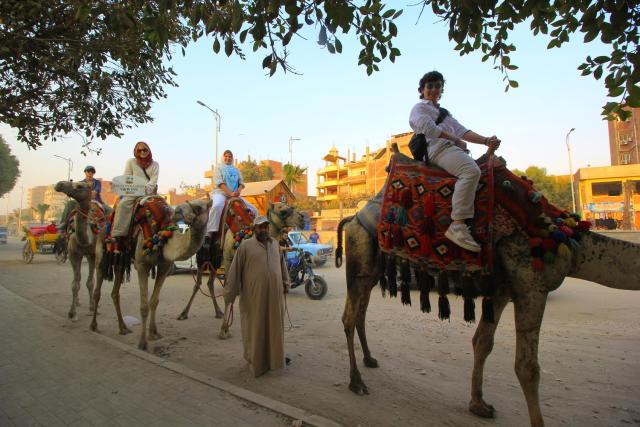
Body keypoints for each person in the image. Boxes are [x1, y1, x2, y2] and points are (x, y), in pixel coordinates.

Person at [409, 71, 501, 252]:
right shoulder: (419, 108)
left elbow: (463, 131)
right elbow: (429, 128)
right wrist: (455, 139)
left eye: (438, 85)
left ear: (442, 89)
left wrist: (485, 141)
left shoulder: (445, 114)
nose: (434, 89)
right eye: (430, 86)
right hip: (438, 149)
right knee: (471, 172)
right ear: (422, 90)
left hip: (454, 150)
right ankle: (457, 224)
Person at [224, 215, 290, 377]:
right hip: (254, 298)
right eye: (260, 227)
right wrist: (230, 294)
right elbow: (235, 271)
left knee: (274, 329)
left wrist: (286, 283)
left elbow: (282, 266)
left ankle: (274, 361)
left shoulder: (275, 244)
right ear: (255, 229)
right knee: (256, 329)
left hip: (274, 297)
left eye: (266, 227)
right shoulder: (245, 246)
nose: (264, 230)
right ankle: (256, 362)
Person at [110, 141, 159, 248]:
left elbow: (153, 180)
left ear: (149, 150)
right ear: (136, 151)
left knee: (162, 206)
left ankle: (166, 231)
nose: (142, 152)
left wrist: (147, 189)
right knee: (123, 204)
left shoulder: (155, 165)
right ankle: (119, 233)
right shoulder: (131, 162)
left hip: (149, 192)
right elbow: (127, 177)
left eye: (145, 149)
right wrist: (136, 188)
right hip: (134, 191)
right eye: (139, 150)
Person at [205, 150, 258, 245]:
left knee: (254, 209)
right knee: (217, 205)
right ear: (223, 157)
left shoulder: (236, 169)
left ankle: (255, 230)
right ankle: (210, 232)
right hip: (221, 193)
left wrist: (238, 191)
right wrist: (230, 193)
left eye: (230, 156)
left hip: (235, 195)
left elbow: (241, 183)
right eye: (226, 156)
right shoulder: (218, 168)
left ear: (232, 158)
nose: (228, 158)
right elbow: (220, 183)